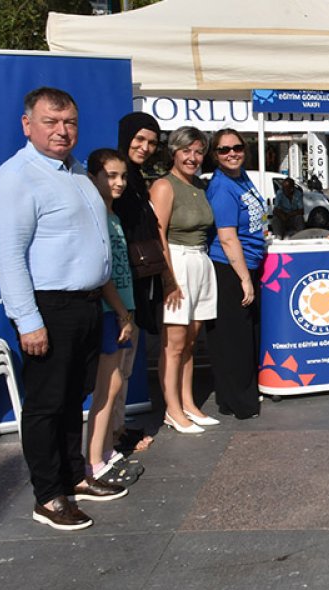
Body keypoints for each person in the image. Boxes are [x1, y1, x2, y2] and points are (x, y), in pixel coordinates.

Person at [0, 87, 127, 531]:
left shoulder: (77, 171)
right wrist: (28, 321)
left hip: (85, 305)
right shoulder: (17, 177)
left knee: (72, 401)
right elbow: (7, 256)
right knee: (47, 405)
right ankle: (48, 496)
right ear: (28, 125)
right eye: (51, 122)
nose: (62, 131)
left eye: (69, 122)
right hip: (49, 306)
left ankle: (74, 479)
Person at [150, 126, 218, 434]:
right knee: (174, 344)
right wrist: (169, 279)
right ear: (173, 152)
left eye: (198, 151)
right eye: (186, 151)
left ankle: (188, 403)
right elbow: (158, 234)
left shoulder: (200, 186)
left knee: (191, 341)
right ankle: (172, 409)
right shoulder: (164, 186)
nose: (192, 157)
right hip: (177, 261)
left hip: (201, 261)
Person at [84, 149, 141, 486]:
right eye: (111, 176)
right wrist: (121, 312)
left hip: (123, 309)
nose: (118, 183)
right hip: (110, 311)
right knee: (108, 384)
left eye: (122, 176)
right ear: (94, 177)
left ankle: (105, 451)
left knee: (116, 380)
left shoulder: (114, 216)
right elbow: (102, 273)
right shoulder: (96, 218)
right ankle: (94, 460)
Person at [204, 128, 265, 420]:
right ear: (214, 155)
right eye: (224, 150)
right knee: (234, 339)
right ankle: (241, 403)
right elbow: (227, 237)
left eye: (237, 147)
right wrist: (244, 279)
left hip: (247, 265)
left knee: (245, 335)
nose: (231, 154)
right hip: (230, 269)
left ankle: (236, 398)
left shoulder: (241, 177)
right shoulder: (222, 186)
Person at [112, 111, 163, 455]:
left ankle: (116, 431)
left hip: (137, 284)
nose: (145, 147)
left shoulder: (137, 178)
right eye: (139, 139)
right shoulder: (116, 179)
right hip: (119, 287)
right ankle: (109, 441)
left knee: (124, 367)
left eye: (152, 142)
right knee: (115, 368)